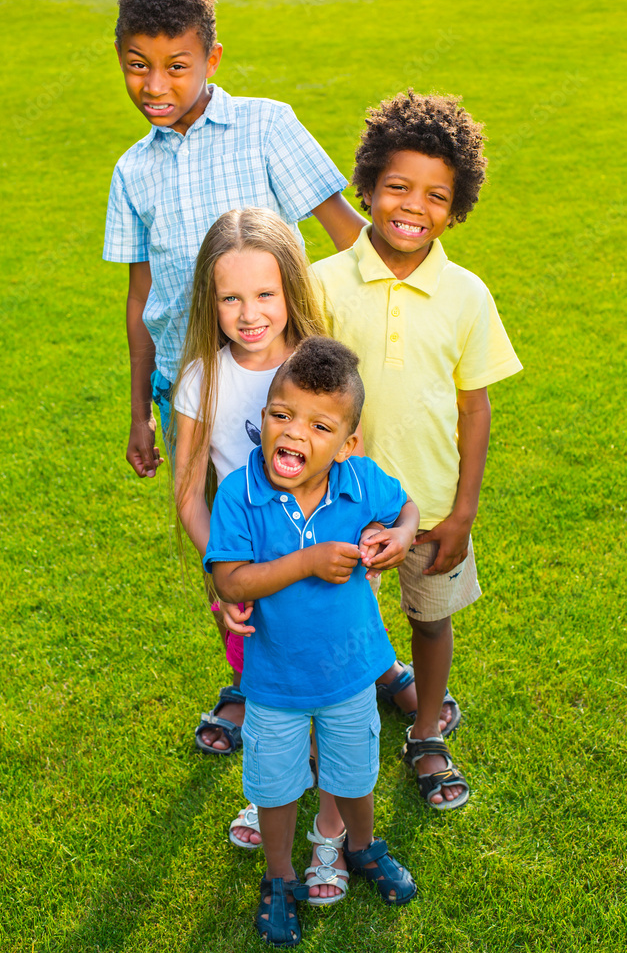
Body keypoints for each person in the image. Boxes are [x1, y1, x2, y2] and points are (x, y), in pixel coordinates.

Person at [311, 90, 523, 810]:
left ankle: (426, 730)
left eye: (436, 195)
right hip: (339, 508)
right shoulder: (322, 283)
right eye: (397, 186)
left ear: (456, 209)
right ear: (365, 187)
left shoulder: (466, 295)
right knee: (338, 625)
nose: (413, 206)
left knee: (430, 621)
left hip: (431, 508)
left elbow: (473, 406)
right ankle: (339, 736)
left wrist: (461, 512)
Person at [102, 0, 366, 482]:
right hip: (191, 392)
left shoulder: (266, 126)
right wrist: (139, 415)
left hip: (289, 388)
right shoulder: (131, 171)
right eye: (138, 65)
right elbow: (141, 298)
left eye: (177, 66)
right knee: (223, 541)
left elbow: (348, 235)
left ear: (212, 59)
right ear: (120, 58)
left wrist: (427, 292)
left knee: (311, 518)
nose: (155, 85)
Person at [205, 337, 420, 946]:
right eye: (281, 415)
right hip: (274, 681)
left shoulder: (358, 480)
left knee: (354, 775)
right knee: (274, 788)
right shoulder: (239, 491)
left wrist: (401, 537)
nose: (293, 434)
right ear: (265, 414)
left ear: (347, 444)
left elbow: (406, 508)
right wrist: (307, 562)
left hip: (353, 672)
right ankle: (279, 877)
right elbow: (231, 578)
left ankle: (363, 847)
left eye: (319, 425)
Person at [172, 208, 325, 756]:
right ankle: (274, 777)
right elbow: (188, 491)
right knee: (262, 674)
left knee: (320, 681)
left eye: (265, 294)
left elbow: (352, 463)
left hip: (320, 557)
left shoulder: (319, 369)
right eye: (230, 298)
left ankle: (325, 774)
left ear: (291, 289)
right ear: (209, 303)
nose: (249, 313)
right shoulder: (200, 380)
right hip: (241, 560)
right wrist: (224, 569)